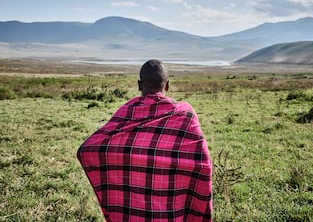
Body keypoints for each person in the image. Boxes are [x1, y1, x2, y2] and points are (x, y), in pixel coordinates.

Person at [77, 59, 212, 221]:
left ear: (140, 85)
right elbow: (203, 163)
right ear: (167, 85)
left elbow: (88, 149)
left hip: (131, 214)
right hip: (171, 214)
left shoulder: (127, 110)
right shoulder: (185, 113)